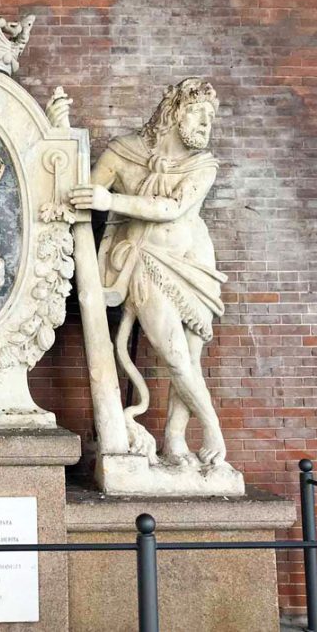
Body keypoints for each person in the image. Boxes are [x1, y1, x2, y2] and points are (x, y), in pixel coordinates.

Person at [70, 78, 228, 466]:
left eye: (211, 117)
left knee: (192, 357)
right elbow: (84, 194)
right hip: (144, 262)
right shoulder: (123, 152)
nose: (207, 124)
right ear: (175, 113)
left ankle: (175, 440)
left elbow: (173, 207)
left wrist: (112, 200)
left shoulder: (203, 166)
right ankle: (214, 431)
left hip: (196, 265)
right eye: (199, 113)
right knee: (174, 356)